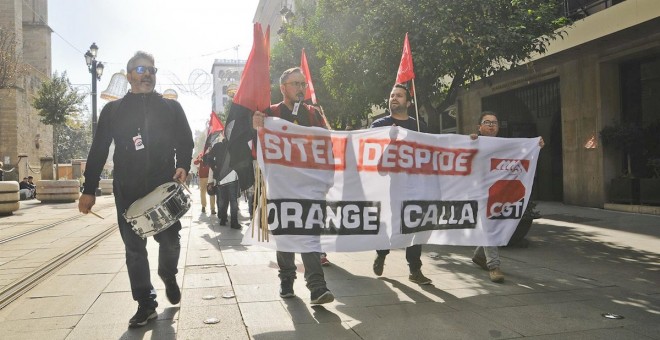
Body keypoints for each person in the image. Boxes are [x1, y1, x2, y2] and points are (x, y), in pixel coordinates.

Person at [78, 51, 194, 328]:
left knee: (170, 242)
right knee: (134, 249)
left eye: (152, 69)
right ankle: (146, 303)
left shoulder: (171, 108)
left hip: (162, 186)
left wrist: (183, 165)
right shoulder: (113, 110)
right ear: (129, 75)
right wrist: (89, 188)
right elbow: (98, 150)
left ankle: (168, 274)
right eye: (141, 69)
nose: (148, 74)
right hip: (127, 188)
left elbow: (185, 140)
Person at [252, 67, 334, 304]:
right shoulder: (270, 113)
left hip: (309, 186)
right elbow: (256, 148)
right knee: (285, 235)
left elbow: (327, 144)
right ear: (283, 88)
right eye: (295, 84)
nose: (300, 88)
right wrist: (255, 127)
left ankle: (317, 287)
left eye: (303, 84)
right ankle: (286, 279)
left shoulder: (314, 114)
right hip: (280, 187)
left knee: (310, 235)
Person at [469, 111, 544, 283]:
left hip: (500, 194)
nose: (491, 125)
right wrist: (468, 141)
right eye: (486, 122)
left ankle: (479, 255)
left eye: (494, 122)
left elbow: (525, 151)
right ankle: (494, 266)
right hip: (480, 193)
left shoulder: (506, 145)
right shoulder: (473, 142)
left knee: (499, 225)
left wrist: (536, 145)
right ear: (479, 127)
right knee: (489, 226)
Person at [371, 84, 432, 285]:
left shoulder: (420, 126)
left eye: (399, 95)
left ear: (408, 102)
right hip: (389, 184)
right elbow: (371, 154)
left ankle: (415, 270)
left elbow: (433, 150)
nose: (394, 98)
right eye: (391, 95)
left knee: (415, 225)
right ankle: (381, 253)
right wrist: (390, 141)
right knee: (389, 224)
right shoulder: (379, 124)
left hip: (415, 185)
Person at [206, 134, 241, 229]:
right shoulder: (235, 146)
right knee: (233, 201)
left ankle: (223, 219)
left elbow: (208, 157)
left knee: (222, 200)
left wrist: (214, 167)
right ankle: (234, 222)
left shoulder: (217, 146)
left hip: (220, 178)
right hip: (233, 178)